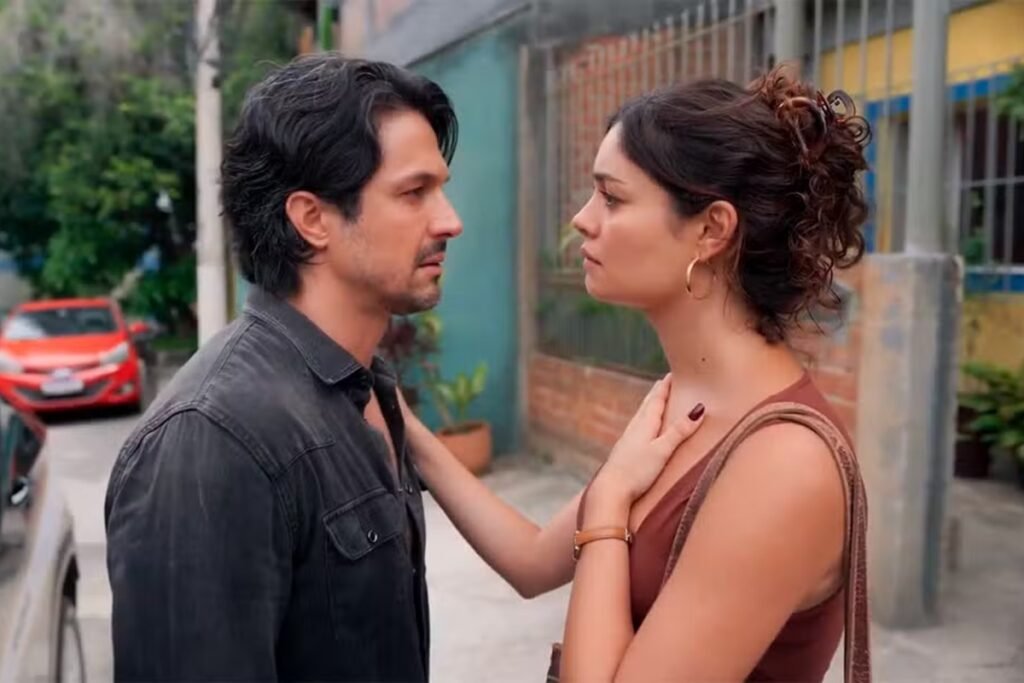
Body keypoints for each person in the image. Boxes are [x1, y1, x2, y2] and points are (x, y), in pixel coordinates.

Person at [399, 65, 871, 682]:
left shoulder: (783, 464)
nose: (582, 219)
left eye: (612, 198)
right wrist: (403, 427)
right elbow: (533, 560)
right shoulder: (684, 400)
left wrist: (609, 506)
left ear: (711, 230)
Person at [104, 54, 462, 682]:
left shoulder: (366, 392)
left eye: (441, 188)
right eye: (414, 193)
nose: (449, 220)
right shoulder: (213, 439)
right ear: (312, 219)